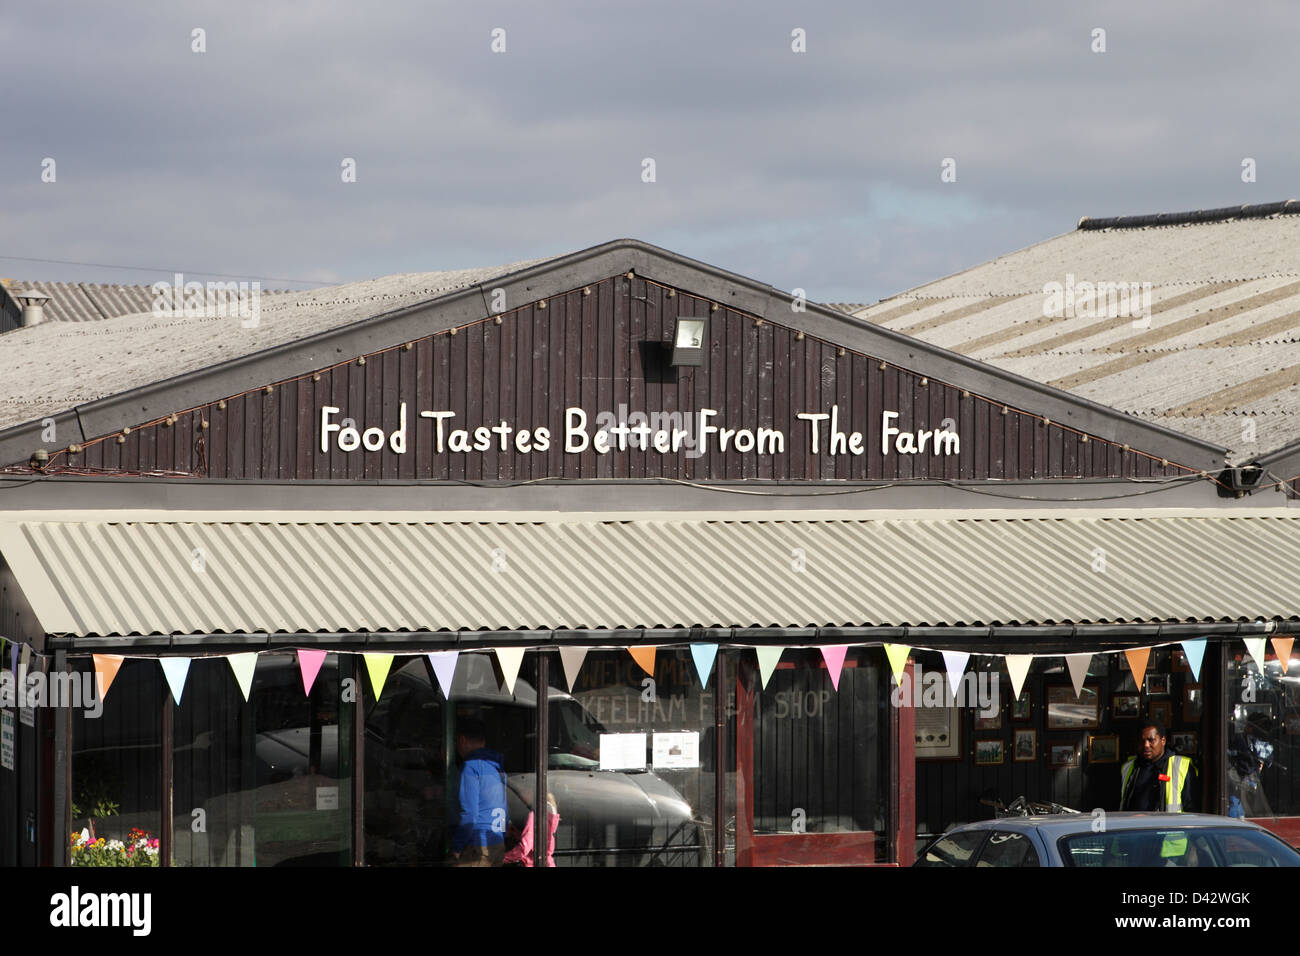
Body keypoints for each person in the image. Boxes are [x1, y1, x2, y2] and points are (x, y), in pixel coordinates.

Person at [450, 717, 507, 866]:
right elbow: (504, 808)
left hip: (477, 844)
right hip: (497, 842)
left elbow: (470, 814)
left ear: (461, 740)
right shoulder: (497, 767)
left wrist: (456, 848)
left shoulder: (470, 766)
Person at [1119, 721, 1197, 812]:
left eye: (1151, 740)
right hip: (1134, 824)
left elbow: (1191, 808)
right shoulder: (1128, 767)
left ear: (1163, 740)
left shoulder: (1181, 766)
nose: (1146, 745)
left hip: (1167, 825)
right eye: (1142, 741)